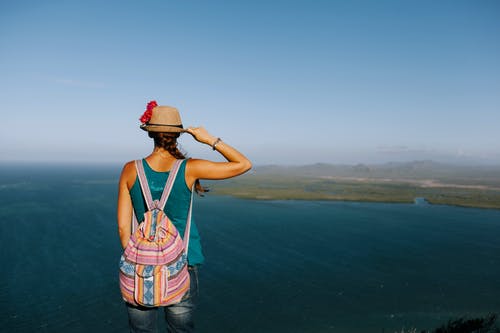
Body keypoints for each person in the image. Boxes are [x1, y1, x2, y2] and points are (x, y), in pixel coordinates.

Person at [117, 101, 252, 333]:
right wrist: (210, 140)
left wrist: (141, 259)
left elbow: (123, 227)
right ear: (177, 135)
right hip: (184, 263)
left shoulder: (131, 169)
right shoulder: (190, 168)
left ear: (151, 134)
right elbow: (244, 164)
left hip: (139, 267)